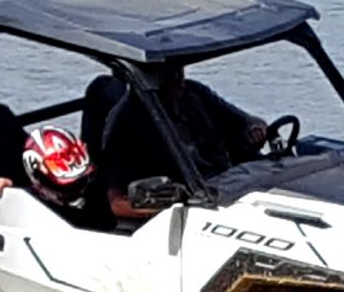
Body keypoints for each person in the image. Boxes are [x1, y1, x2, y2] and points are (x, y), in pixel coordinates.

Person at [100, 63, 267, 218]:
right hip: (196, 203)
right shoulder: (126, 123)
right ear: (154, 79)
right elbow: (118, 202)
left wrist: (256, 129)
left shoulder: (194, 93)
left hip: (232, 182)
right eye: (171, 74)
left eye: (180, 71)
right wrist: (167, 212)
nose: (180, 80)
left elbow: (245, 122)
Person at [0, 124, 98, 223]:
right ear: (37, 176)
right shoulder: (26, 205)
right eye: (66, 187)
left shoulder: (99, 194)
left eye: (80, 182)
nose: (76, 191)